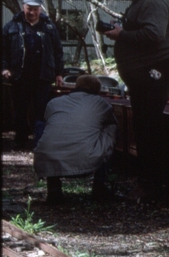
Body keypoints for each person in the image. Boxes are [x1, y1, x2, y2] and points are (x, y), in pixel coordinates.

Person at [102, 0, 169, 197]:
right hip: (145, 72)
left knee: (148, 126)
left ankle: (152, 184)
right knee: (144, 124)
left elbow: (153, 34)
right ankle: (150, 181)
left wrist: (121, 35)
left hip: (158, 69)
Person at [34, 75, 117, 204]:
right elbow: (111, 121)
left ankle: (54, 188)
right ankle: (100, 185)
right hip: (86, 158)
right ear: (97, 90)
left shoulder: (54, 102)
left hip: (51, 158)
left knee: (45, 126)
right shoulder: (101, 103)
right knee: (111, 126)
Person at [2, 0, 65, 149]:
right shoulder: (11, 26)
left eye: (36, 9)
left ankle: (39, 142)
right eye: (29, 9)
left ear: (40, 9)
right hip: (19, 75)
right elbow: (2, 51)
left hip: (43, 76)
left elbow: (58, 51)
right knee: (19, 109)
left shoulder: (50, 27)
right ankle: (21, 140)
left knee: (41, 110)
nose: (32, 12)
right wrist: (4, 68)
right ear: (23, 7)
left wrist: (59, 73)